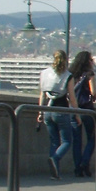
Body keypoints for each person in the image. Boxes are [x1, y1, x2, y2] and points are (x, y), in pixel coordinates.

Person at [38, 49, 73, 180]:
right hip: (61, 110)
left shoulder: (45, 73)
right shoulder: (67, 75)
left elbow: (42, 94)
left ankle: (55, 172)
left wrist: (40, 112)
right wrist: (77, 114)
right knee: (67, 141)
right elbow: (72, 98)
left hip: (47, 110)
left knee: (54, 142)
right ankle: (55, 158)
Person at [66, 50, 96, 177]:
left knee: (77, 140)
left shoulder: (71, 74)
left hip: (74, 109)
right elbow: (94, 92)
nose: (93, 62)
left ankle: (77, 167)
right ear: (87, 62)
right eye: (91, 60)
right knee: (92, 138)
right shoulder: (89, 74)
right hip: (87, 109)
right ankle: (85, 162)